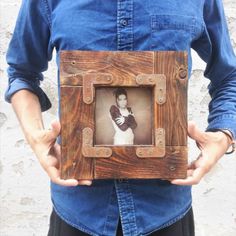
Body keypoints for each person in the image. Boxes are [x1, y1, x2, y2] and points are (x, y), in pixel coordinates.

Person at [4, 0, 236, 235]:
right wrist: (35, 137)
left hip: (164, 211)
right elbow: (22, 73)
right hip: (79, 210)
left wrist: (223, 134)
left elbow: (229, 77)